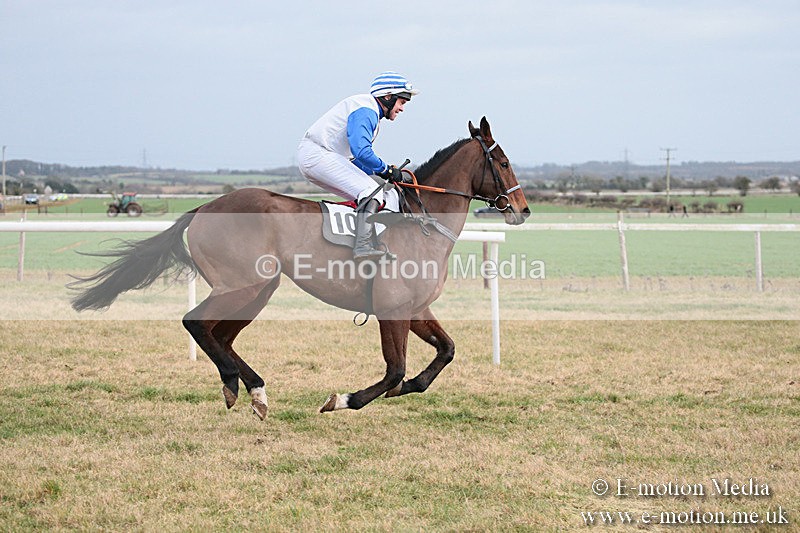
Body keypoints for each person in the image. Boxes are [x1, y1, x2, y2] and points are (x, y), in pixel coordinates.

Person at [297, 71, 419, 259]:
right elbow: (361, 151)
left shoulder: (368, 110)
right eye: (402, 102)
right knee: (372, 191)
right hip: (318, 154)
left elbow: (358, 160)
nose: (402, 108)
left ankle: (363, 244)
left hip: (320, 156)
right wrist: (386, 170)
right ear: (388, 97)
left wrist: (384, 174)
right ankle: (363, 247)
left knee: (375, 193)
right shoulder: (366, 109)